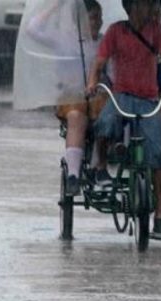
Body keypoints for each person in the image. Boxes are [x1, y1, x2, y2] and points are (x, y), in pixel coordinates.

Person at [87, 0, 161, 240]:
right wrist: (92, 83)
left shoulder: (156, 31)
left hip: (148, 100)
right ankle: (100, 167)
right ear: (132, 7)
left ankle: (160, 215)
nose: (150, 9)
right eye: (145, 5)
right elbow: (99, 63)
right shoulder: (115, 31)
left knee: (158, 157)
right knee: (104, 123)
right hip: (121, 96)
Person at [26, 0, 105, 196]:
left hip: (100, 97)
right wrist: (57, 4)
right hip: (72, 98)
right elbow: (33, 28)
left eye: (99, 18)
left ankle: (99, 166)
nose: (98, 23)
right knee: (76, 117)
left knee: (110, 116)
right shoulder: (65, 40)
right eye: (93, 18)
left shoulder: (105, 42)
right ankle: (74, 175)